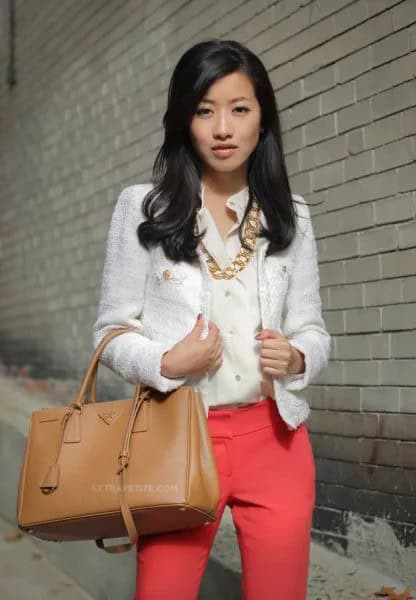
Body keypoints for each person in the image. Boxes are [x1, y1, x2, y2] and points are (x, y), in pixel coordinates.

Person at [93, 38, 331, 600]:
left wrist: (298, 357)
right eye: (205, 110)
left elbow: (314, 329)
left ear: (262, 118)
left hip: (276, 440)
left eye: (239, 109)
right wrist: (167, 360)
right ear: (184, 119)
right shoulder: (144, 207)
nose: (223, 127)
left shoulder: (291, 216)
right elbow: (109, 332)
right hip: (176, 437)